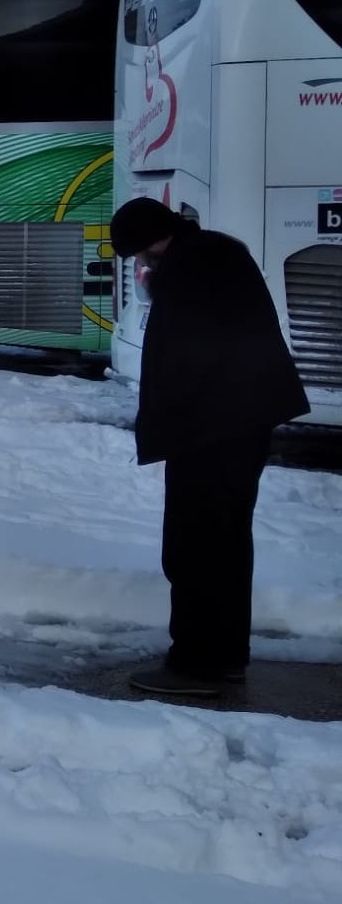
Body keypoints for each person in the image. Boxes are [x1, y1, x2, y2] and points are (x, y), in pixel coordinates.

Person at [110, 197, 309, 698]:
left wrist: (166, 426)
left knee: (194, 546)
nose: (140, 265)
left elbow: (185, 358)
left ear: (154, 240)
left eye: (138, 254)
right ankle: (224, 657)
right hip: (236, 423)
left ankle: (197, 665)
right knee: (225, 542)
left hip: (209, 430)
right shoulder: (216, 253)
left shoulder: (189, 270)